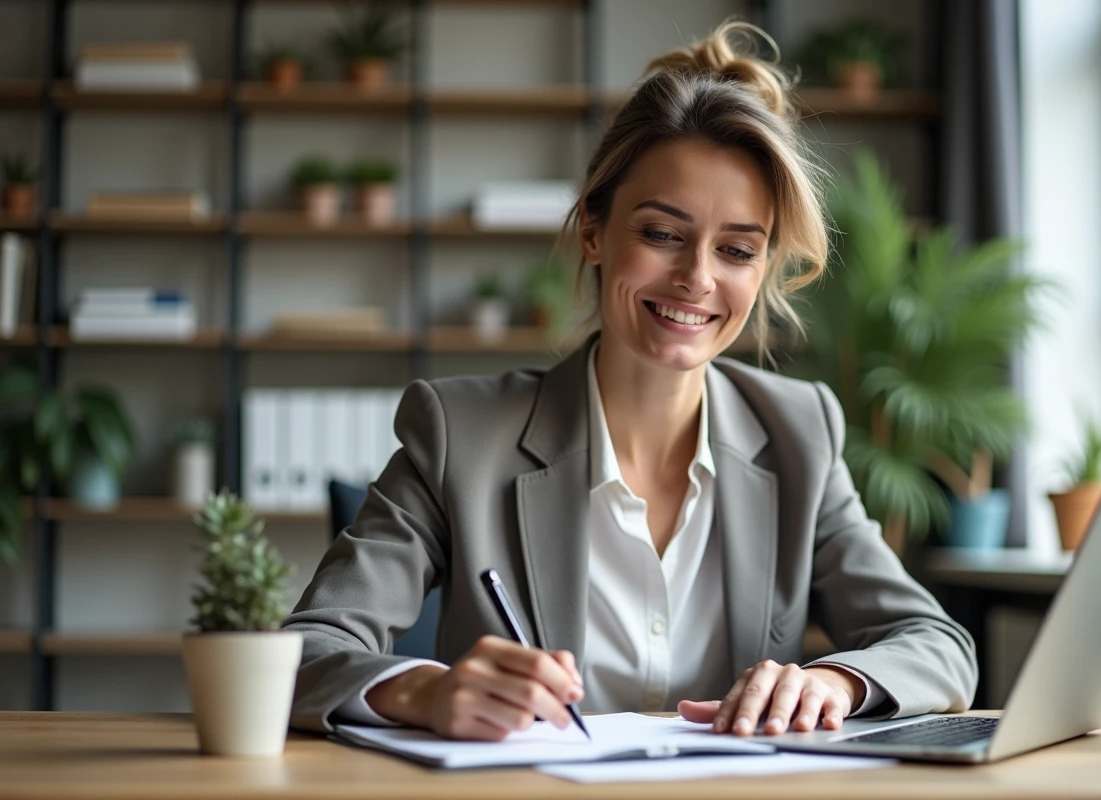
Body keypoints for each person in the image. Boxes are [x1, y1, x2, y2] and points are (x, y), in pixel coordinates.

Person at [284, 20, 977, 742]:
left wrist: (833, 680)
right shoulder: (461, 434)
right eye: (662, 234)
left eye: (737, 249)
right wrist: (425, 690)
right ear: (593, 230)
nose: (698, 278)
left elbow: (939, 646)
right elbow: (306, 652)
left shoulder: (800, 430)